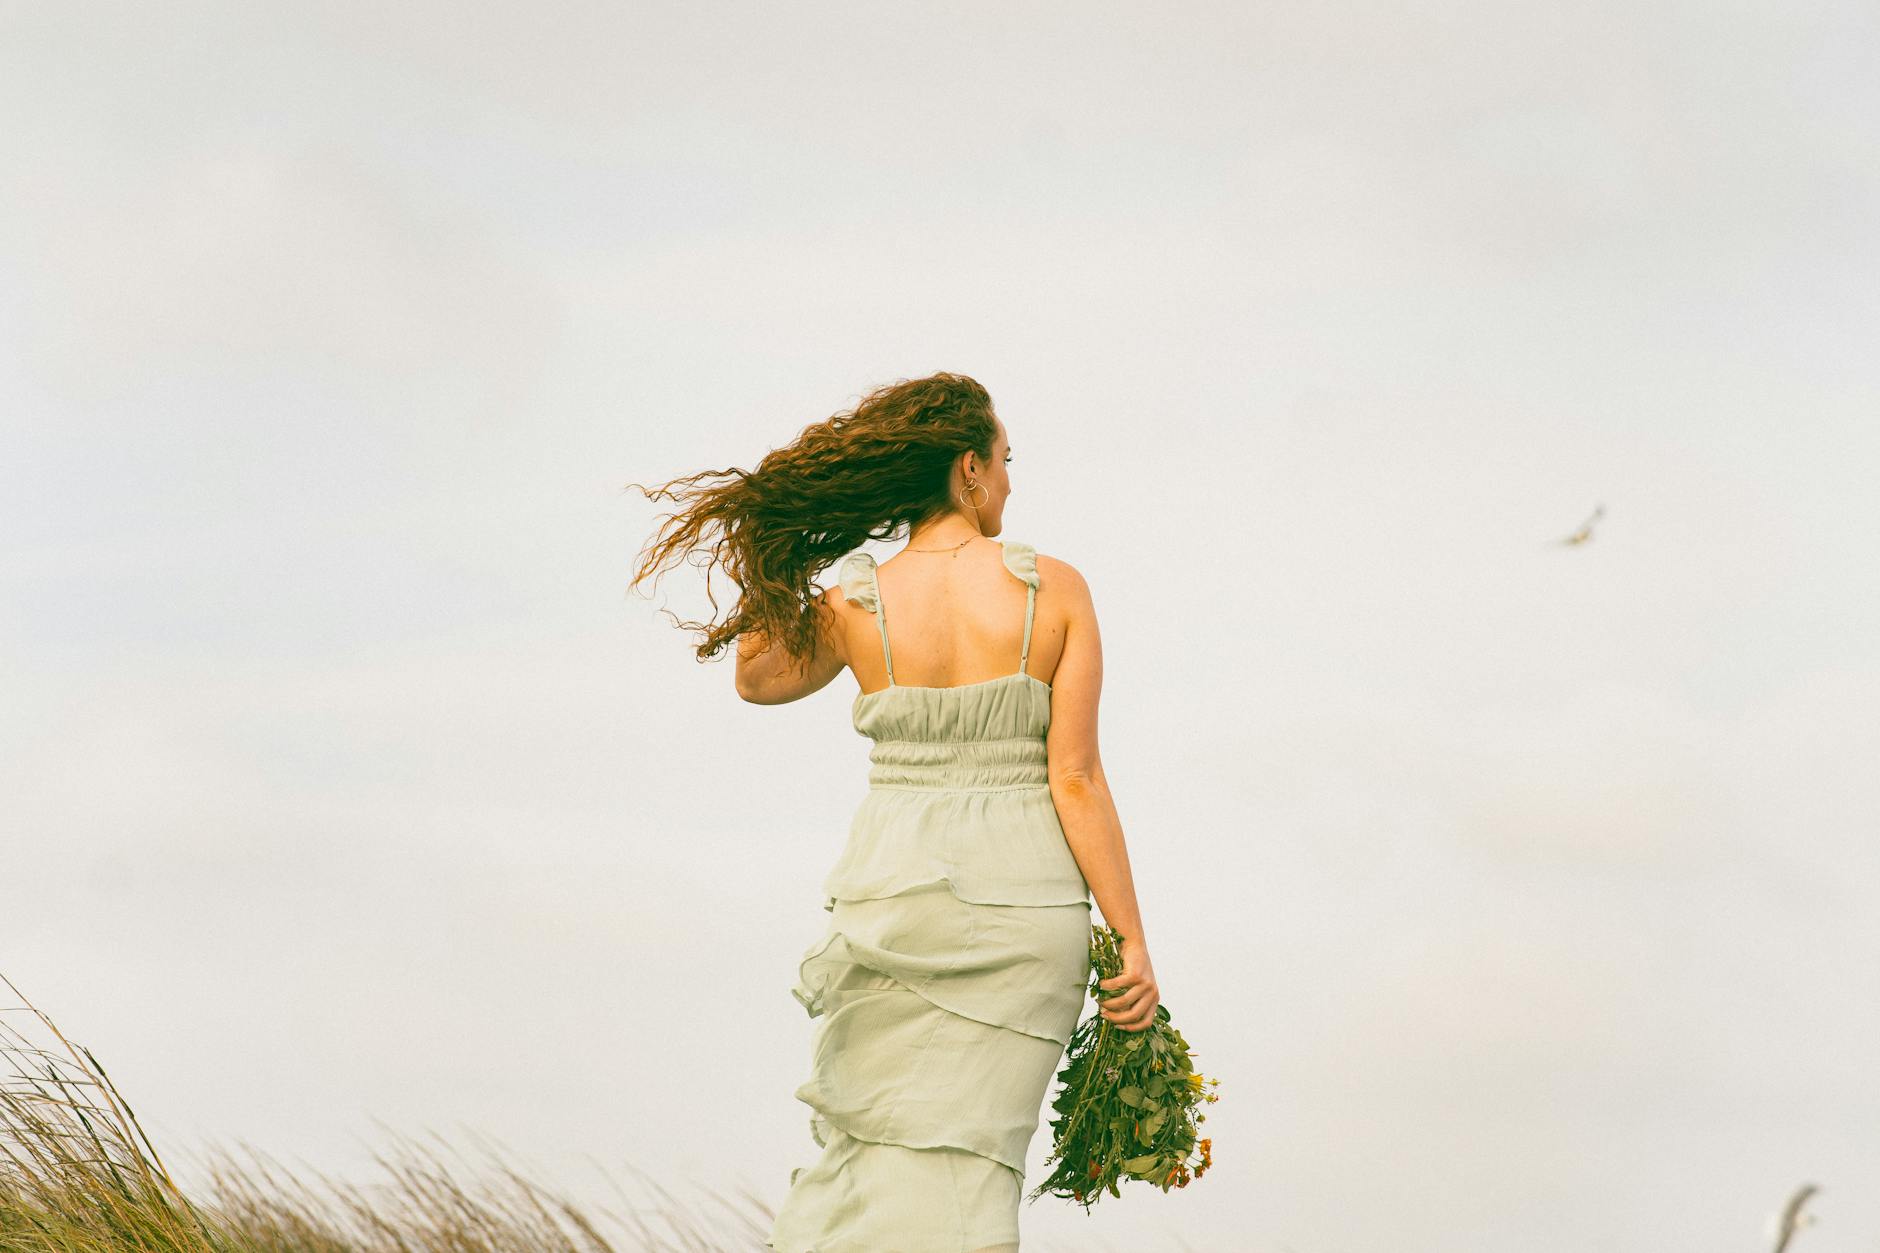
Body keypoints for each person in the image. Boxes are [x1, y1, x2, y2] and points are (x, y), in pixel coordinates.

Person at [628, 371, 1157, 1252]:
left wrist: (783, 557)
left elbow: (755, 679)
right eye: (1006, 460)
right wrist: (1131, 938)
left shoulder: (853, 600)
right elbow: (1076, 778)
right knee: (977, 1172)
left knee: (870, 1165)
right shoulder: (1056, 589)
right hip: (1025, 913)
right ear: (969, 468)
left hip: (896, 900)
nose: (1013, 482)